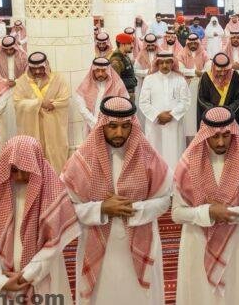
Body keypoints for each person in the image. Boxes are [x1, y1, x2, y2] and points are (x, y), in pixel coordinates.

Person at [61, 96, 171, 305]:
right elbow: (67, 207)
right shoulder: (82, 160)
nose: (119, 133)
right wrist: (101, 209)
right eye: (112, 126)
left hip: (141, 243)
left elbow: (165, 199)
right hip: (98, 249)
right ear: (102, 124)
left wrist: (133, 209)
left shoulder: (147, 156)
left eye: (125, 126)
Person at [172, 107, 239, 305]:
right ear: (205, 135)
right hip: (198, 243)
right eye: (215, 136)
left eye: (226, 135)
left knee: (235, 294)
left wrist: (232, 213)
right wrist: (207, 212)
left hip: (236, 243)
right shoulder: (187, 164)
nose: (221, 142)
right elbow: (177, 214)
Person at [0, 135, 79, 300]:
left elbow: (54, 243)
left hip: (43, 277)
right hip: (2, 279)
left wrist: (28, 275)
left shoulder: (52, 195)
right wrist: (0, 280)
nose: (19, 177)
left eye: (25, 170)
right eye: (14, 170)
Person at [13, 52, 70, 172]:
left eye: (41, 68)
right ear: (29, 68)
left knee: (55, 161)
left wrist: (53, 104)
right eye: (34, 69)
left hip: (53, 131)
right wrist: (39, 103)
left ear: (46, 66)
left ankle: (56, 182)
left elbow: (64, 100)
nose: (38, 71)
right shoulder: (22, 82)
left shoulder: (58, 79)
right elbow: (18, 103)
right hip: (32, 130)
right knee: (34, 160)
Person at [139, 51, 191, 167]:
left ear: (172, 63)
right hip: (155, 124)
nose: (164, 65)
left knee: (174, 154)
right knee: (155, 154)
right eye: (161, 63)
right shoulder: (149, 79)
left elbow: (186, 101)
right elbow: (143, 102)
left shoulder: (180, 79)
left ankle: (174, 178)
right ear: (157, 64)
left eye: (167, 62)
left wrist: (171, 115)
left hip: (174, 123)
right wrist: (158, 115)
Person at [74, 57, 128, 134]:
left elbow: (125, 105)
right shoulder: (86, 85)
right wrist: (94, 122)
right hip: (91, 125)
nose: (100, 74)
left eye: (103, 70)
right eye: (97, 70)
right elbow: (81, 107)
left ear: (108, 70)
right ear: (93, 70)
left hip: (111, 127)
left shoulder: (117, 85)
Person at [198, 52, 239, 126]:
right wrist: (214, 111)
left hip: (230, 117)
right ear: (214, 68)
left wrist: (228, 110)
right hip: (211, 117)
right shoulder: (206, 77)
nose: (222, 73)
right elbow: (202, 98)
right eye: (219, 71)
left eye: (226, 70)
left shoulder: (234, 75)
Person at [178, 34, 211, 139]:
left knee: (200, 109)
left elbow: (209, 67)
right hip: (187, 86)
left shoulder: (203, 53)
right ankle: (189, 134)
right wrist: (195, 72)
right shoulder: (182, 54)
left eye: (195, 43)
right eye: (190, 43)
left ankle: (201, 132)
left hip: (201, 85)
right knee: (189, 111)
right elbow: (180, 69)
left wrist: (202, 73)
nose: (193, 45)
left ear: (198, 43)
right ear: (187, 43)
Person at [110, 32, 137, 100]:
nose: (132, 46)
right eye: (129, 43)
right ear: (122, 45)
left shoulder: (125, 56)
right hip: (123, 97)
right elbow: (115, 84)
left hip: (129, 94)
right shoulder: (116, 61)